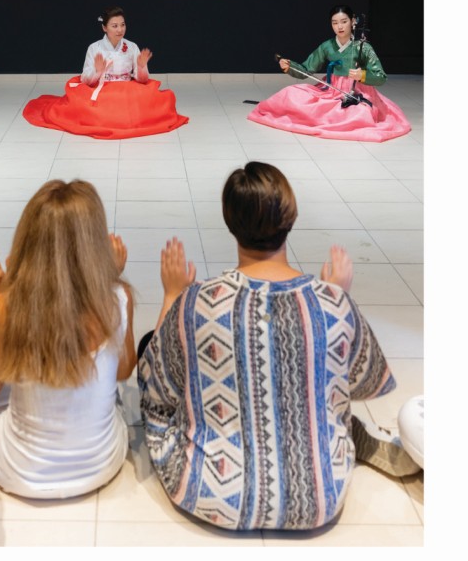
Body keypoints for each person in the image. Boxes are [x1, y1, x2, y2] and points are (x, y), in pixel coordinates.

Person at [138, 162, 418, 533]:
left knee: (154, 350)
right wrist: (336, 298)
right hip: (319, 500)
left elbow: (155, 386)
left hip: (207, 494)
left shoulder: (196, 302)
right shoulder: (333, 303)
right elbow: (363, 385)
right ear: (291, 217)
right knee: (326, 391)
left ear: (229, 221)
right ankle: (338, 441)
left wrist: (173, 294)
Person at [0, 179, 137, 498]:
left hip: (19, 473)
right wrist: (111, 279)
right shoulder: (119, 297)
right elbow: (123, 371)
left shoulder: (6, 306)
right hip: (102, 464)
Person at [248, 5, 411, 142]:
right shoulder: (327, 46)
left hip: (356, 91)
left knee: (359, 112)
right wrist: (290, 66)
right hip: (330, 89)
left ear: (353, 21)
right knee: (291, 93)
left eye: (344, 22)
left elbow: (381, 77)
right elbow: (307, 69)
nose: (339, 27)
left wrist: (361, 75)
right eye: (335, 23)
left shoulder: (364, 47)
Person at [22, 6, 188, 139]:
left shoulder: (132, 46)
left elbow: (142, 80)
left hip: (127, 87)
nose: (120, 29)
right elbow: (86, 79)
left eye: (122, 25)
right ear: (104, 27)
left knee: (149, 100)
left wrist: (142, 66)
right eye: (114, 26)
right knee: (100, 108)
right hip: (102, 87)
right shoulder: (94, 48)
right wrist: (97, 71)